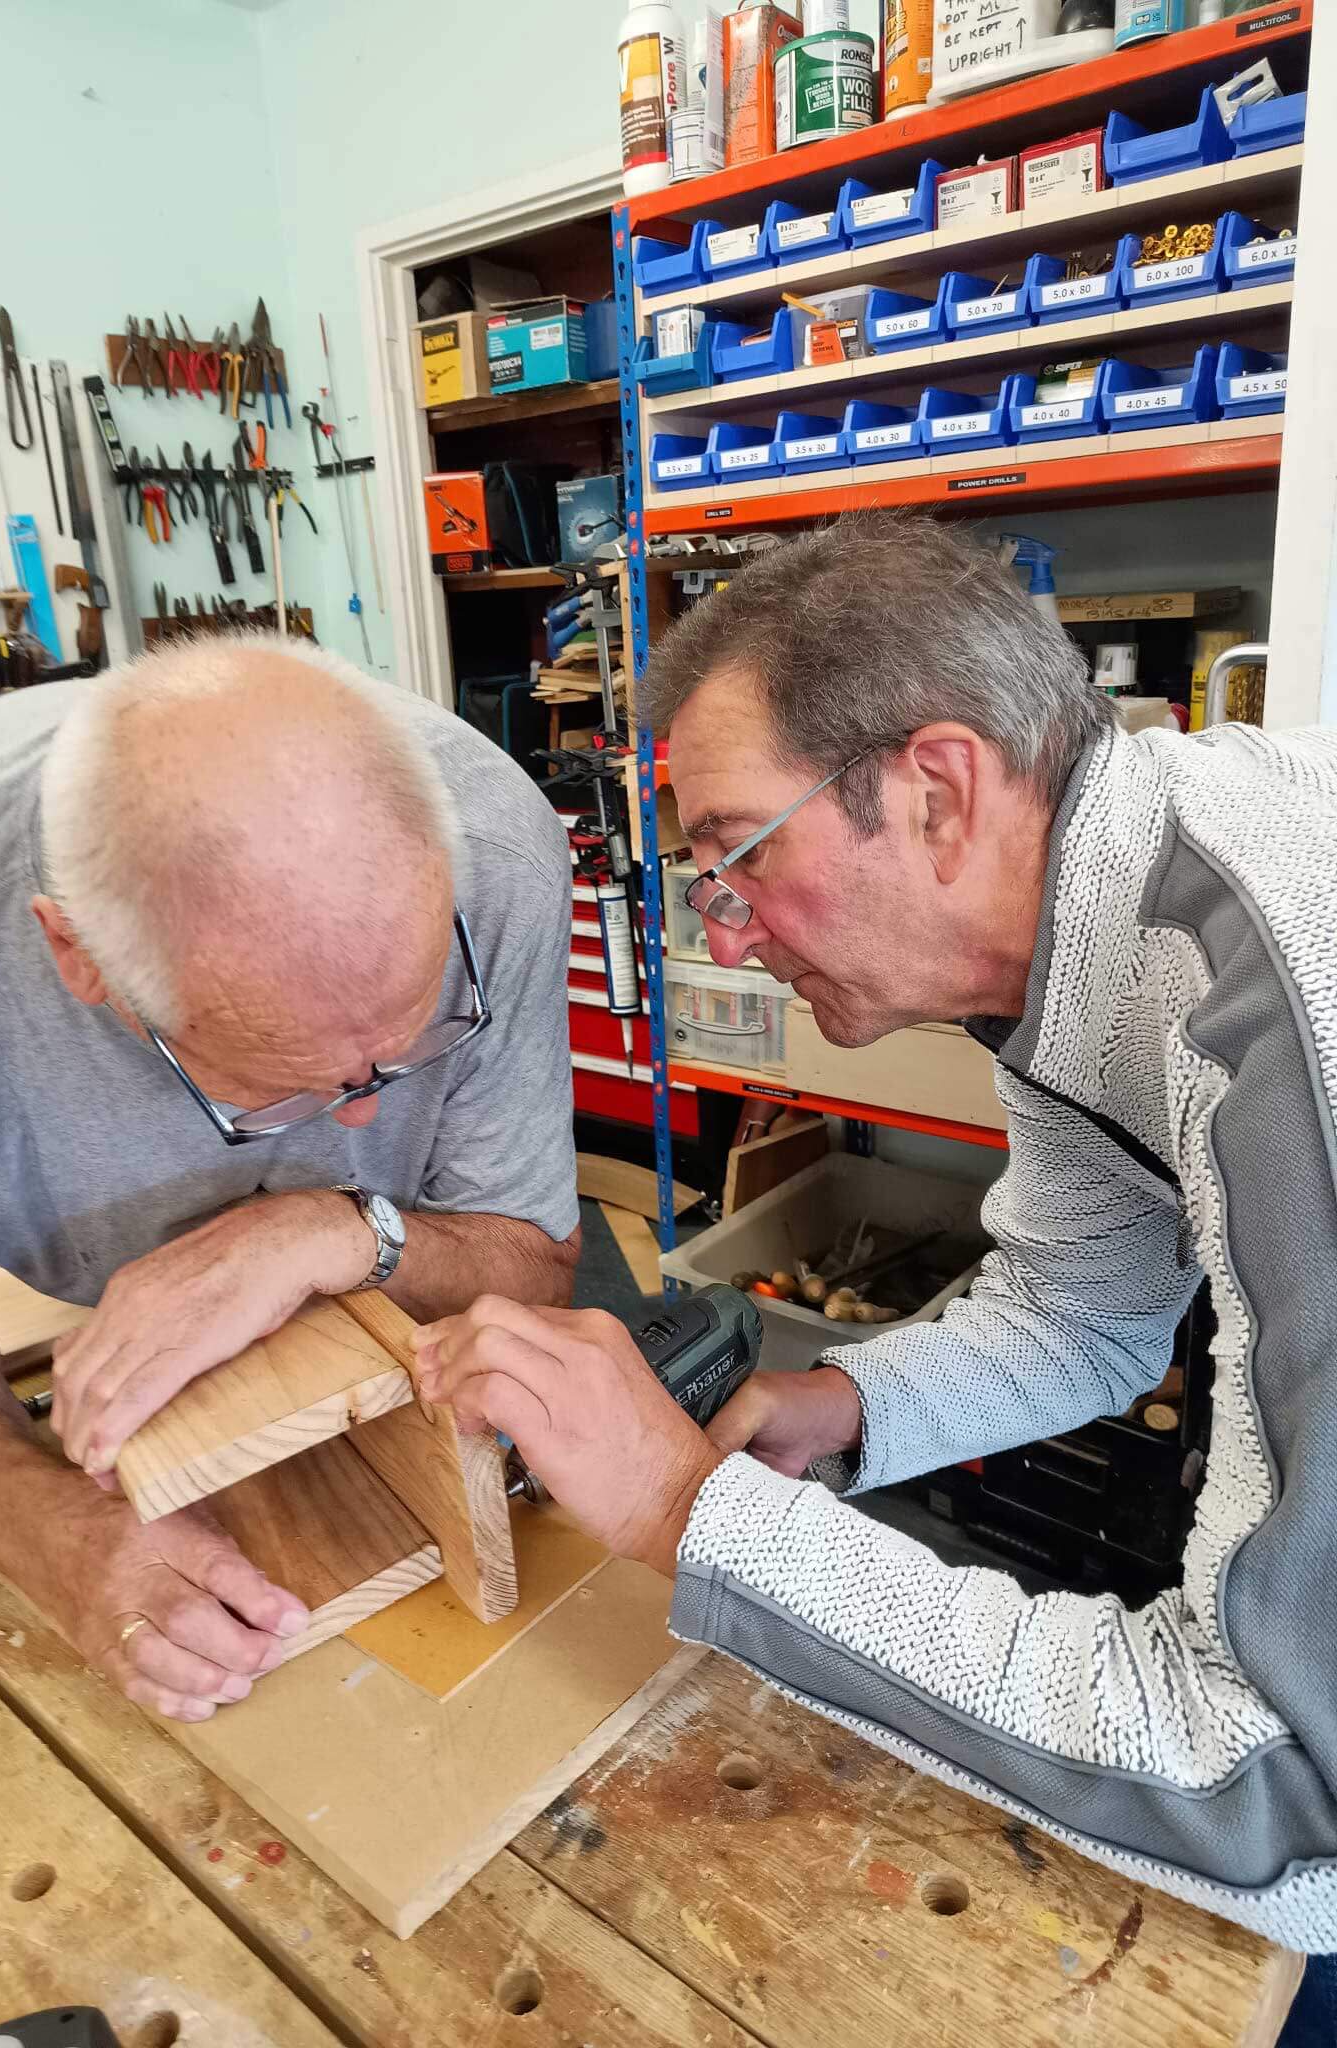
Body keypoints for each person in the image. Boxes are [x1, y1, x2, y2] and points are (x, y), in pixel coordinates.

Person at [412, 512, 1337, 1979]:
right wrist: (849, 1409)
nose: (723, 936)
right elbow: (1088, 1312)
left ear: (938, 794)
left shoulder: (1277, 1021)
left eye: (738, 860)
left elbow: (1276, 1795)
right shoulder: (1091, 934)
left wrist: (682, 1512)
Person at [0, 636, 579, 1723]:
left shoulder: (494, 848)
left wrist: (335, 1229)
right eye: (280, 1088)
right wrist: (60, 1538)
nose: (366, 1112)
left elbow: (529, 1253)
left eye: (410, 1046)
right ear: (78, 958)